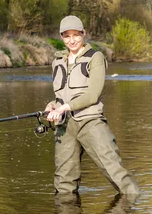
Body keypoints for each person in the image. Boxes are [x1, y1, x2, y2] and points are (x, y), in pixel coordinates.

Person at [45, 15, 140, 197]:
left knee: (116, 172)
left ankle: (133, 212)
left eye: (76, 35)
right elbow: (60, 96)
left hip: (91, 122)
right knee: (63, 184)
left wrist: (64, 107)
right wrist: (52, 107)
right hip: (64, 126)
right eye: (67, 36)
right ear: (61, 37)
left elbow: (92, 94)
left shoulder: (95, 58)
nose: (72, 40)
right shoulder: (57, 62)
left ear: (84, 34)